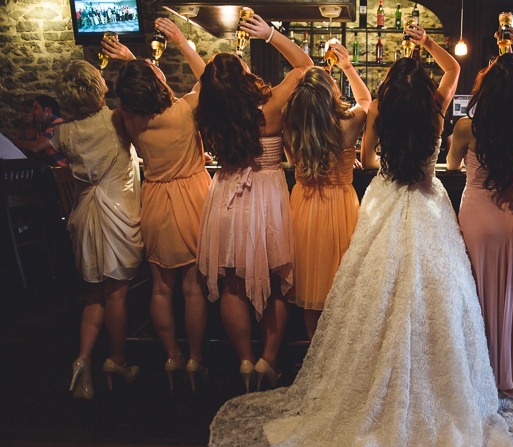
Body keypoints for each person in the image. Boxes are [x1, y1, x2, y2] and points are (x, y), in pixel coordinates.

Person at [209, 23, 513, 447]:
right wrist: (428, 46)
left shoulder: (377, 111)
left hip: (385, 202)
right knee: (436, 302)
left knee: (373, 299)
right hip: (427, 204)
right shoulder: (440, 110)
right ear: (424, 94)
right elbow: (455, 69)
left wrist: (381, 149)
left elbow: (368, 157)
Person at [196, 14, 313, 392]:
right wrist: (271, 35)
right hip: (267, 197)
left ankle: (244, 361)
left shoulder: (210, 113)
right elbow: (305, 66)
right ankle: (269, 361)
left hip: (227, 197)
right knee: (275, 283)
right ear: (243, 76)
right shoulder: (272, 105)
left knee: (232, 286)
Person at [107, 18, 211, 392]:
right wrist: (183, 41)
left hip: (153, 200)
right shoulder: (184, 111)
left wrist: (131, 63)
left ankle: (171, 356)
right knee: (192, 289)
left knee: (160, 288)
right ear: (157, 84)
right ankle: (196, 358)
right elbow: (208, 78)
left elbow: (141, 90)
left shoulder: (126, 118)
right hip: (192, 199)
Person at [446, 53, 513, 399]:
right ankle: (510, 376)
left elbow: (452, 164)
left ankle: (480, 377)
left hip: (480, 217)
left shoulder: (469, 127)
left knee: (478, 300)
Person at [51, 60, 144, 399]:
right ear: (98, 86)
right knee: (117, 293)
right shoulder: (116, 120)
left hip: (86, 214)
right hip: (117, 210)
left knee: (96, 293)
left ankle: (82, 359)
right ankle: (117, 359)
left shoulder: (62, 133)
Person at [284, 50, 370, 339]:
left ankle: (313, 352)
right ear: (330, 94)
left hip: (304, 207)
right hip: (340, 206)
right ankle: (337, 356)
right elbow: (365, 101)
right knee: (339, 285)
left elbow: (294, 161)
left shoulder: (290, 127)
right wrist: (347, 65)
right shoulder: (347, 125)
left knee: (310, 284)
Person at [13, 95, 67, 166]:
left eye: (35, 108)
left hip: (62, 171)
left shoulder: (57, 125)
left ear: (47, 109)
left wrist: (11, 142)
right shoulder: (46, 126)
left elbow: (36, 146)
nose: (33, 112)